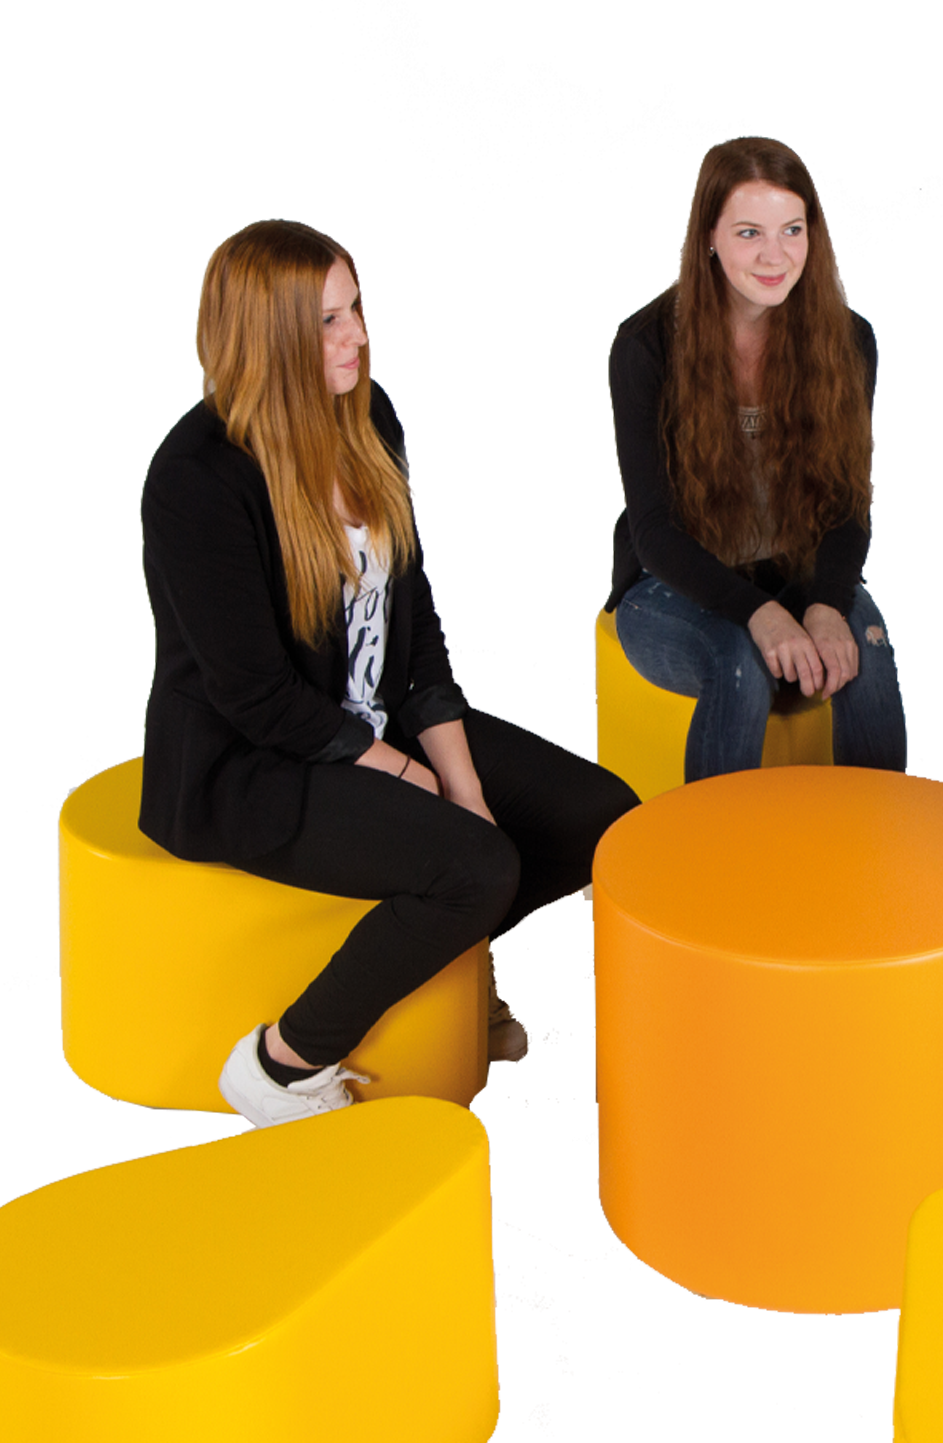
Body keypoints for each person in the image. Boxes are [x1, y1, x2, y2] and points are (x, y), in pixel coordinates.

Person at [140, 219, 640, 1128]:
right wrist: (409, 777)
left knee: (604, 819)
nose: (358, 337)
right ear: (268, 337)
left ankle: (451, 961)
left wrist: (461, 780)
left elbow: (412, 621)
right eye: (328, 322)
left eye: (357, 309)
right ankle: (283, 1064)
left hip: (374, 712)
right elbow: (255, 696)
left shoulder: (368, 416)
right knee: (477, 865)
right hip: (254, 763)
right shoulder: (195, 478)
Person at [607, 136, 907, 782]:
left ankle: (880, 838)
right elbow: (653, 530)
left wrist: (826, 603)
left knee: (868, 649)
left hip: (794, 570)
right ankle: (718, 849)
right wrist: (760, 615)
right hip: (671, 586)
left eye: (792, 230)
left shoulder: (849, 340)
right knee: (737, 660)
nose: (776, 256)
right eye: (750, 233)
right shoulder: (645, 345)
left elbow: (849, 504)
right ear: (709, 238)